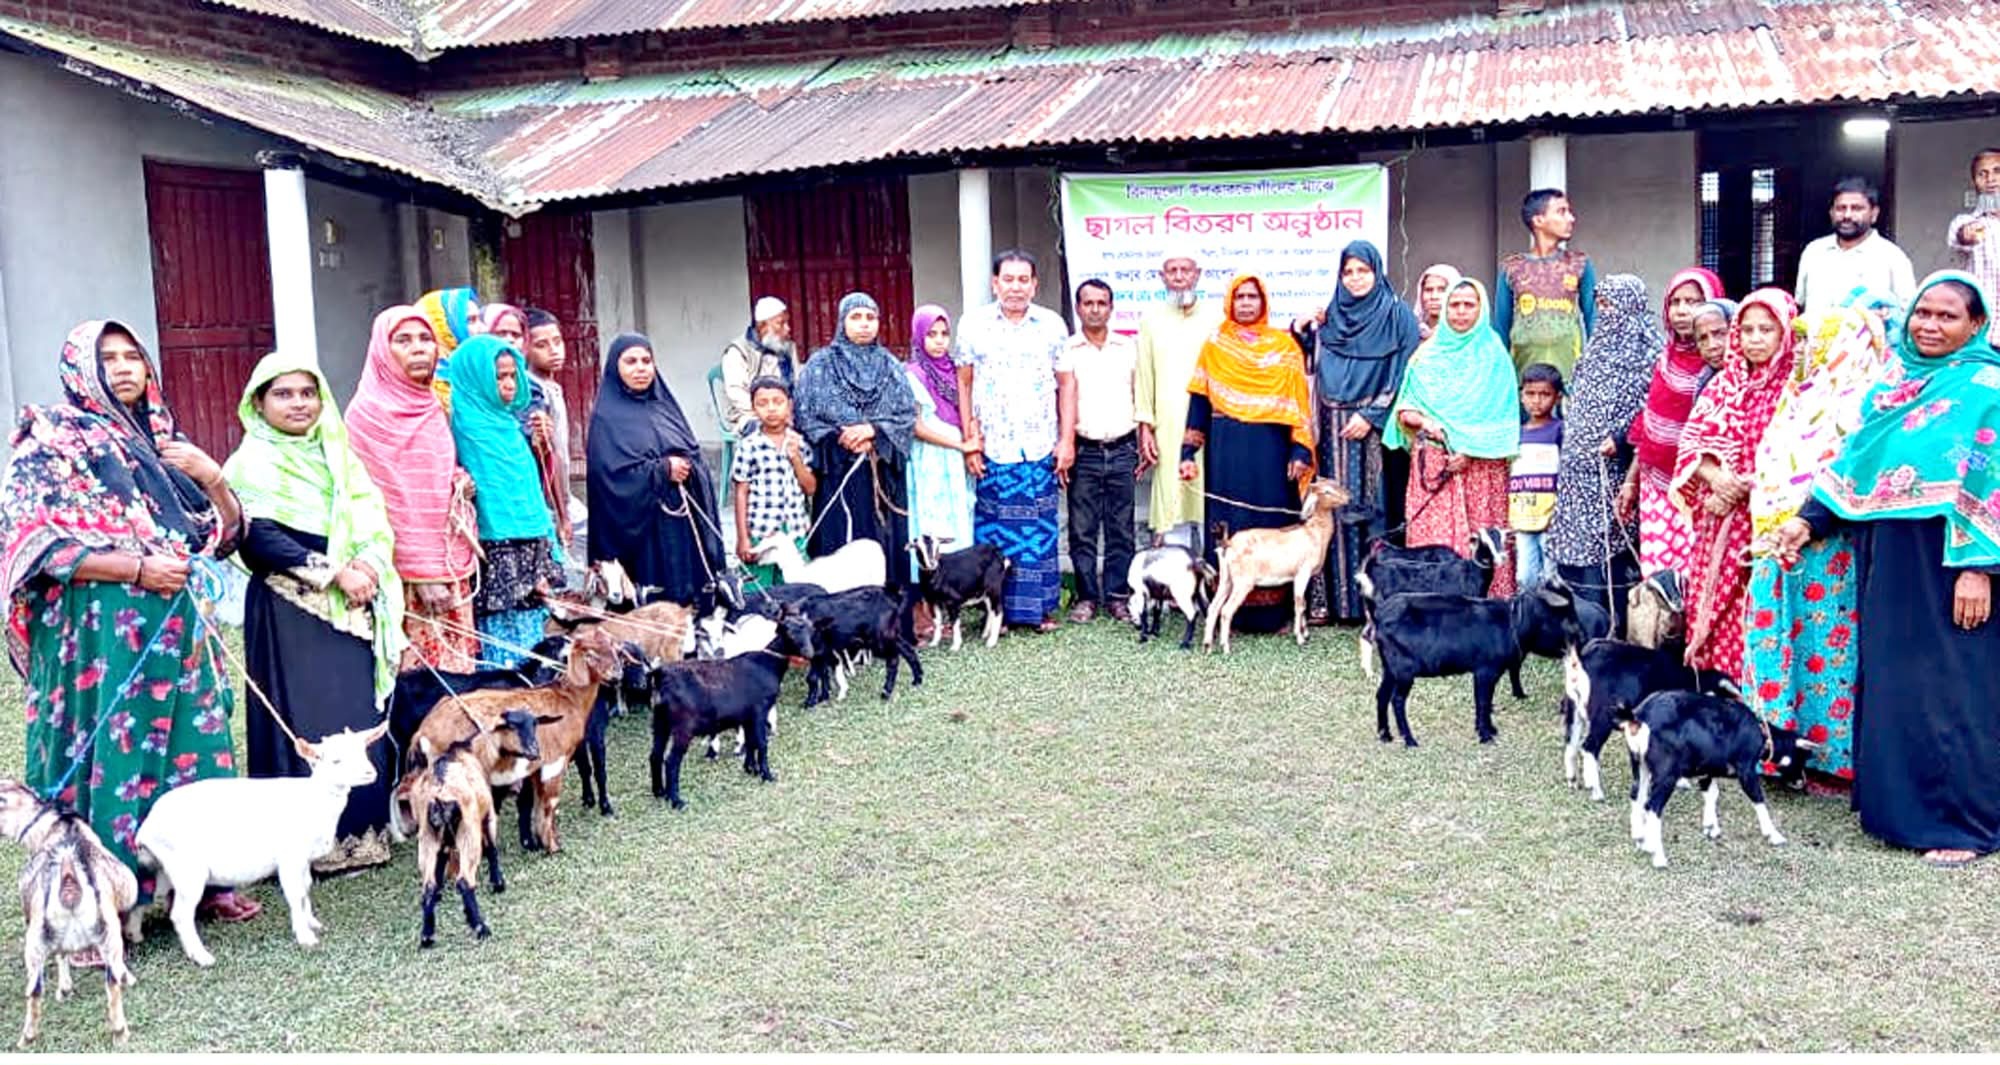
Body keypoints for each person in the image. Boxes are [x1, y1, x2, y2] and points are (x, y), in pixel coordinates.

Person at [0, 320, 258, 923]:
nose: (123, 368)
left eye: (133, 356)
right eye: (107, 358)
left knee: (193, 745)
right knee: (111, 751)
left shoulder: (165, 445)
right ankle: (98, 897)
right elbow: (31, 543)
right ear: (78, 369)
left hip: (177, 629)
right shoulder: (52, 440)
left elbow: (218, 539)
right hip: (97, 638)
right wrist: (136, 570)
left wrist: (213, 479)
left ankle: (199, 883)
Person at [1773, 271, 2000, 866]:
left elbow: (1992, 482)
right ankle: (1896, 811)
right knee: (1897, 681)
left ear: (1977, 325)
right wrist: (1808, 519)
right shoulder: (1892, 385)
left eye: (1947, 316)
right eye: (1922, 313)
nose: (1929, 325)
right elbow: (1857, 461)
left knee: (1952, 688)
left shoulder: (1987, 389)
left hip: (1951, 564)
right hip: (1890, 561)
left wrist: (1980, 569)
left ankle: (1963, 824)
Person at [223, 350, 403, 874]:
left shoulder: (339, 454)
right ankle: (299, 848)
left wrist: (368, 565)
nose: (298, 403)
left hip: (355, 608)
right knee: (305, 717)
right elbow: (255, 539)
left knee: (355, 715)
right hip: (289, 609)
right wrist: (331, 573)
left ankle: (361, 836)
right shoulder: (247, 464)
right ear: (258, 403)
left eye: (308, 393)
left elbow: (374, 517)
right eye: (283, 394)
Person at [1742, 306, 1894, 790]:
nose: (1803, 351)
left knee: (1825, 651)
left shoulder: (1864, 402)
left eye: (1816, 342)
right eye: (1803, 341)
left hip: (1829, 550)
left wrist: (1806, 517)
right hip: (1774, 542)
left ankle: (1832, 760)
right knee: (1775, 642)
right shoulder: (1800, 395)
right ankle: (1774, 750)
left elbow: (1851, 474)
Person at [1670, 288, 1800, 681]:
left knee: (1760, 603)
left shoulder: (1798, 388)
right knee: (1715, 602)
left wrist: (1746, 484)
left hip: (1775, 520)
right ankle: (1713, 684)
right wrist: (1718, 479)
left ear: (1785, 334)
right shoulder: (1723, 384)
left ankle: (1760, 691)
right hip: (1722, 518)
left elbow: (1804, 451)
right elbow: (1692, 440)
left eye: (1767, 329)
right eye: (1746, 330)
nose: (1755, 338)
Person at [347, 305, 482, 672]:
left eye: (426, 339)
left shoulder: (432, 406)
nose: (419, 348)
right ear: (382, 351)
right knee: (418, 680)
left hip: (448, 560)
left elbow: (432, 474)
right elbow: (382, 501)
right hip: (405, 574)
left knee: (458, 674)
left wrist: (459, 480)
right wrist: (423, 574)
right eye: (403, 341)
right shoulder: (367, 415)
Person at [1179, 273, 1316, 632]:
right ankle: (1231, 611)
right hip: (1226, 453)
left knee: (1274, 529)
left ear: (1264, 301)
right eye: (1239, 297)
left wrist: (1300, 451)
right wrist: (1187, 452)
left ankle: (1276, 615)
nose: (1245, 303)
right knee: (1230, 526)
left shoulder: (1285, 348)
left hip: (1272, 454)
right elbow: (1199, 402)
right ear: (1229, 302)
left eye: (1252, 297)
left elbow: (1298, 404)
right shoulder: (1215, 345)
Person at [1302, 240, 1423, 622]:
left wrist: (1372, 413)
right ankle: (1333, 604)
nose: (1355, 279)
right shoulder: (1331, 317)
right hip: (1331, 422)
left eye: (1363, 271)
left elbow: (1405, 370)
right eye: (1348, 272)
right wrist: (1302, 329)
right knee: (1330, 507)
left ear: (1377, 272)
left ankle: (1373, 604)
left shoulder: (1397, 315)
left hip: (1375, 426)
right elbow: (1309, 359)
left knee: (1373, 507)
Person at [956, 252, 1076, 631]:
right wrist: (971, 441)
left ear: (1034, 284)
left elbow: (1067, 384)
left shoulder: (1052, 325)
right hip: (994, 450)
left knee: (1039, 531)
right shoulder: (974, 325)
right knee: (994, 534)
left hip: (1039, 445)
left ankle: (1039, 610)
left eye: (1023, 279)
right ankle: (998, 613)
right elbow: (964, 383)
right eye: (1008, 279)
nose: (1015, 287)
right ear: (995, 283)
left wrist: (1066, 440)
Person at [1382, 278, 1522, 598]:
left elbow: (1502, 415)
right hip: (1434, 466)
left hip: (1481, 470)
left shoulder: (1494, 354)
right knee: (1433, 541)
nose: (1460, 312)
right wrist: (1427, 422)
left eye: (1468, 305)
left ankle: (1488, 610)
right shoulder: (1426, 354)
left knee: (1483, 541)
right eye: (1454, 305)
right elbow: (1405, 410)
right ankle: (1429, 607)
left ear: (1481, 308)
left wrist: (1470, 452)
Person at [1545, 274, 1662, 619]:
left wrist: (1622, 437)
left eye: (1612, 305)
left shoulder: (1650, 353)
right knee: (1576, 546)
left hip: (1615, 470)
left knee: (1610, 543)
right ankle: (1577, 622)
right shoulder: (1594, 349)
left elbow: (1651, 408)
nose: (1606, 313)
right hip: (1578, 468)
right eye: (1602, 306)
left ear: (1631, 307)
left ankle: (1611, 621)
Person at [587, 333, 726, 609]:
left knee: (688, 604)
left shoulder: (665, 406)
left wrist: (688, 467)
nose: (640, 368)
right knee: (650, 607)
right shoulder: (607, 417)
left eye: (646, 361)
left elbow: (693, 452)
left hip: (680, 526)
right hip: (643, 533)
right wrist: (662, 470)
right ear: (616, 367)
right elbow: (607, 478)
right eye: (631, 361)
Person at [450, 335, 563, 666]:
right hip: (493, 545)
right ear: (477, 378)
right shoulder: (463, 427)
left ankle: (528, 688)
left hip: (529, 540)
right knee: (500, 629)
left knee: (531, 625)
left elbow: (529, 488)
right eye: (499, 377)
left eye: (513, 375)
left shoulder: (510, 426)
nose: (510, 384)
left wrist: (548, 546)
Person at [796, 293, 917, 590]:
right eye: (856, 317)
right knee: (841, 544)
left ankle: (888, 621)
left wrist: (873, 430)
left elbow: (905, 416)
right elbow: (805, 415)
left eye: (870, 318)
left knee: (882, 548)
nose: (864, 324)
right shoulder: (821, 365)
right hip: (839, 472)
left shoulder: (890, 366)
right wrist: (843, 436)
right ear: (842, 321)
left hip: (881, 475)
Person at [1620, 267, 1728, 577]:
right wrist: (1631, 480)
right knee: (1658, 578)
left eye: (1693, 302)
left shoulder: (1719, 369)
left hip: (1698, 489)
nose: (1682, 311)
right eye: (1675, 302)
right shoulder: (1664, 359)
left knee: (1696, 575)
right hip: (1655, 486)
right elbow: (1648, 424)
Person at [1064, 279, 1141, 624]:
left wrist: (1145, 438)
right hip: (1084, 451)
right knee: (1082, 529)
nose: (1095, 309)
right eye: (1088, 303)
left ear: (1111, 308)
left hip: (1124, 448)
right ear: (1078, 307)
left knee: (1121, 527)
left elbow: (1142, 398)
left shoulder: (1129, 348)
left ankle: (1117, 595)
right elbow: (1059, 402)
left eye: (1102, 303)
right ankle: (1086, 597)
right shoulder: (1066, 350)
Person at [1135, 249, 1216, 538]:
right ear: (1162, 277)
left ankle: (1214, 576)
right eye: (1172, 270)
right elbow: (1145, 375)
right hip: (1167, 426)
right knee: (1172, 498)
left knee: (1210, 496)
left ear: (1198, 274)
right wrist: (1145, 427)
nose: (1180, 277)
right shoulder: (1150, 319)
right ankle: (1175, 577)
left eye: (1186, 269)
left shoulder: (1217, 317)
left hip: (1211, 423)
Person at [904, 305, 976, 581]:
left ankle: (956, 589)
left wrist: (969, 443)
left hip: (955, 462)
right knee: (931, 525)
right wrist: (960, 446)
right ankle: (929, 595)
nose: (938, 340)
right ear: (918, 336)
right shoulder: (913, 373)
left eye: (944, 334)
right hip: (930, 461)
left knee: (958, 521)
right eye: (931, 334)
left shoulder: (956, 371)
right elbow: (917, 427)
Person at [1494, 188, 1597, 379]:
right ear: (1538, 220)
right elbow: (1501, 327)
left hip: (1570, 377)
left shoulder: (1580, 264)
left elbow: (1595, 320)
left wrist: (1598, 369)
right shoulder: (1512, 268)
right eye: (1562, 211)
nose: (1571, 218)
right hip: (1523, 378)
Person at [732, 378, 817, 589]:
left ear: (789, 405)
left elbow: (810, 488)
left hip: (795, 532)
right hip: (761, 533)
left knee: (794, 593)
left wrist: (795, 458)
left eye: (777, 402)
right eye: (762, 403)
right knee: (758, 593)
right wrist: (743, 538)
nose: (771, 409)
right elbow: (741, 492)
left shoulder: (799, 443)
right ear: (753, 408)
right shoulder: (749, 446)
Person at [1794, 177, 1915, 316]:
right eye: (1841, 208)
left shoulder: (1892, 258)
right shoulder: (1814, 252)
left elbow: (1908, 315)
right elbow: (1799, 306)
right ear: (1831, 213)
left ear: (1874, 214)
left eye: (1857, 208)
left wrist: (1885, 317)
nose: (1847, 215)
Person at [519, 308, 585, 555]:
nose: (554, 350)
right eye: (542, 345)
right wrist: (561, 512)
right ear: (525, 348)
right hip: (549, 498)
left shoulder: (551, 387)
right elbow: (549, 452)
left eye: (557, 342)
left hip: (564, 496)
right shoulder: (534, 393)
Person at [1510, 363, 1565, 587]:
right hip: (1523, 516)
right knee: (1525, 575)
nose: (1536, 400)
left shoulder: (1560, 430)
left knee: (1551, 574)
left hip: (1551, 517)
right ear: (1521, 395)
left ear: (1557, 398)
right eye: (1530, 394)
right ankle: (1529, 617)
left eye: (1544, 394)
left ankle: (1551, 619)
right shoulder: (1515, 433)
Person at [722, 297, 798, 440]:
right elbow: (736, 393)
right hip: (751, 415)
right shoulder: (738, 351)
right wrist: (768, 414)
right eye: (780, 324)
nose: (787, 329)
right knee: (770, 433)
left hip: (787, 412)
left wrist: (787, 411)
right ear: (763, 326)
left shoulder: (787, 347)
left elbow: (798, 384)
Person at [414, 286, 484, 411]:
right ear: (445, 328)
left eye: (480, 319)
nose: (483, 329)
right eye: (471, 321)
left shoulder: (483, 372)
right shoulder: (424, 383)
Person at [1947, 148, 2000, 300]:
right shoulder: (1965, 222)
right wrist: (1966, 235)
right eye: (1982, 174)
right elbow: (1961, 236)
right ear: (1974, 182)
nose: (1991, 179)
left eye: (1997, 171)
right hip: (1984, 320)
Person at [1411, 264, 1463, 341]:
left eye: (1442, 290)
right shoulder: (1410, 333)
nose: (1434, 297)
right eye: (1428, 290)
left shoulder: (1465, 336)